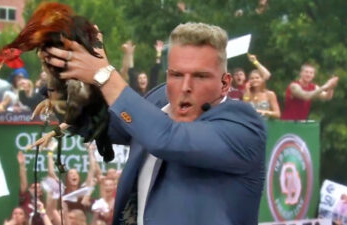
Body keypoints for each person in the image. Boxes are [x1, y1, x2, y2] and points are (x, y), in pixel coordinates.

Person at [36, 22, 266, 225]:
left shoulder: (244, 126)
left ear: (225, 83)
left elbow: (165, 138)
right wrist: (62, 74)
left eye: (200, 76)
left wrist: (104, 74)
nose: (185, 86)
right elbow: (108, 125)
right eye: (176, 74)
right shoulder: (159, 100)